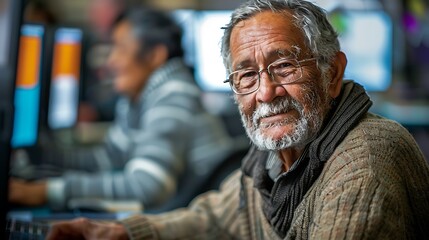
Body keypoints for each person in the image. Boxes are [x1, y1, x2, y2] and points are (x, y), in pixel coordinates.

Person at [46, 0, 429, 239]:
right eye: (246, 75)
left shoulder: (366, 161)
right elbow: (214, 218)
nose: (265, 93)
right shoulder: (276, 157)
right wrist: (120, 232)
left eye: (284, 66)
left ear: (332, 73)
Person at [9, 8, 239, 212]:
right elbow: (109, 159)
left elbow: (148, 186)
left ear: (154, 56)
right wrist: (38, 156)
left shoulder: (174, 94)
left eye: (119, 49)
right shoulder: (140, 96)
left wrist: (46, 191)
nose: (110, 61)